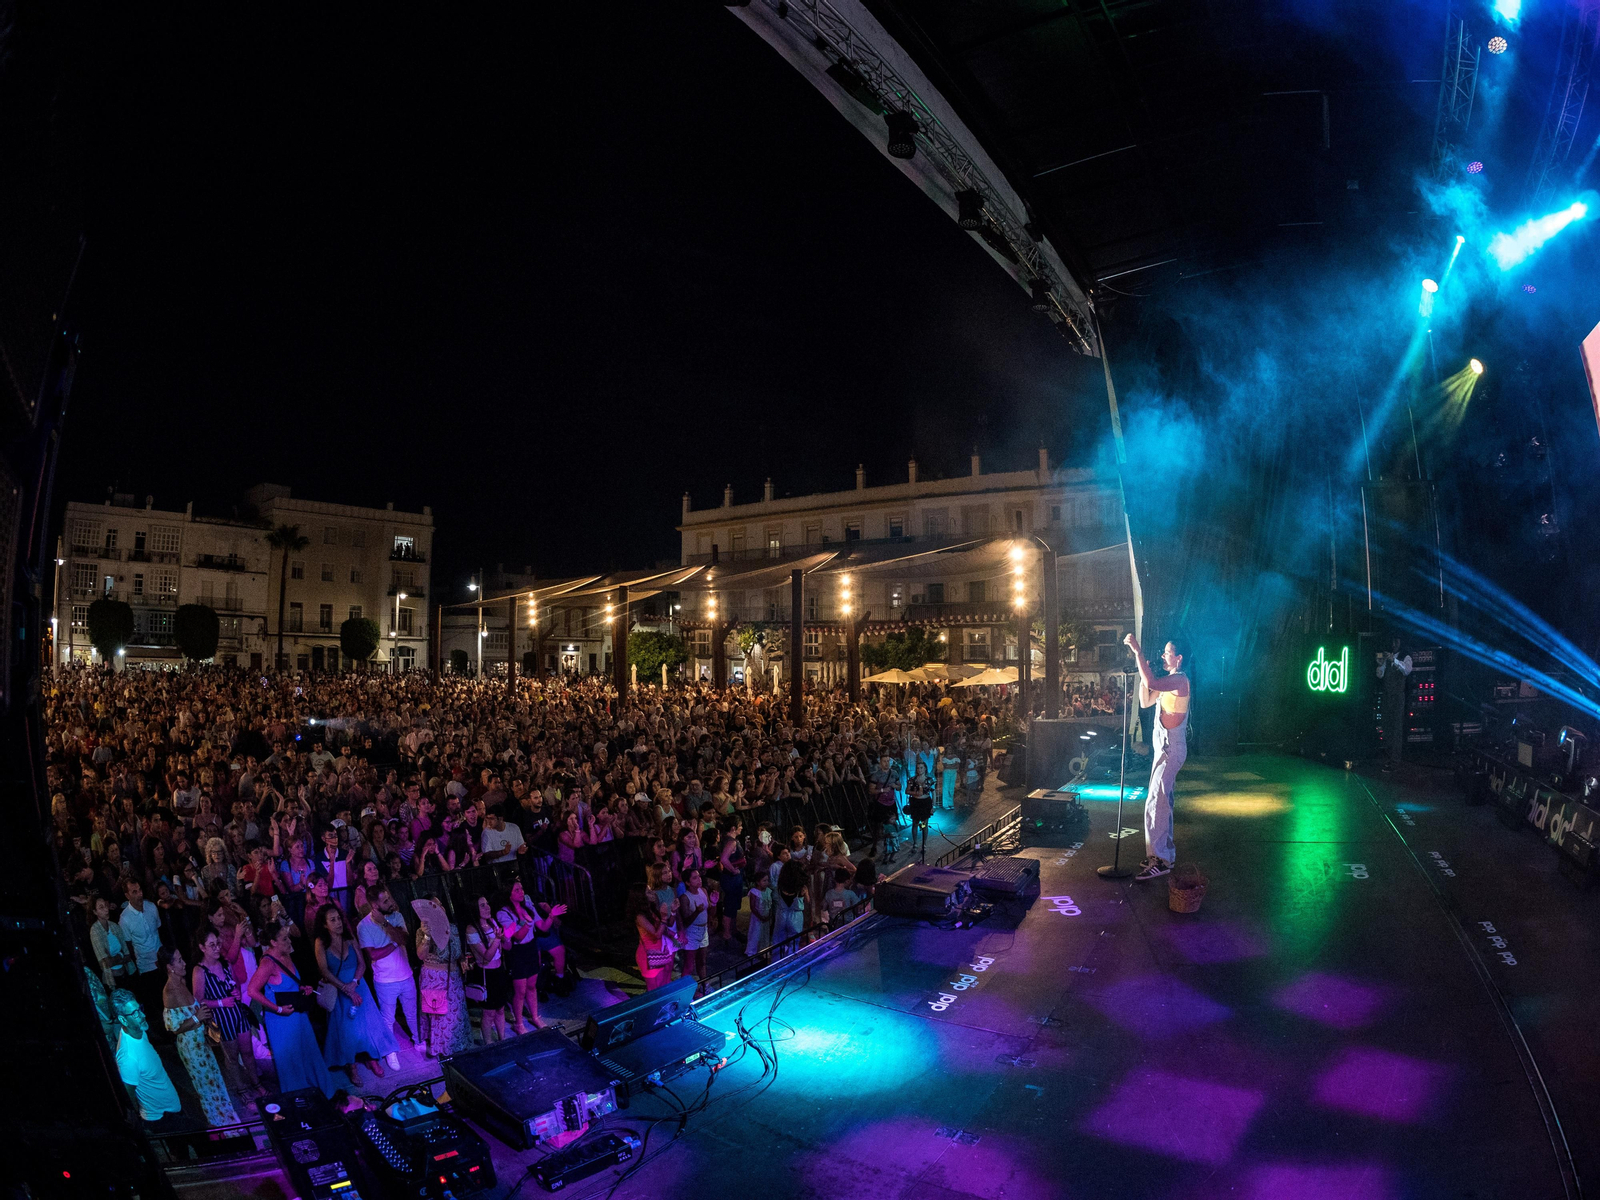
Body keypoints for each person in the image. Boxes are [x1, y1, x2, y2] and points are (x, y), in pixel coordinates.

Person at [246, 920, 344, 1102]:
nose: (289, 941)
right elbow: (252, 990)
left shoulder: (286, 955)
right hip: (281, 1021)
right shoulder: (267, 963)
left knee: (309, 1054)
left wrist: (301, 988)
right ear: (273, 942)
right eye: (284, 939)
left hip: (298, 1016)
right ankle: (301, 1101)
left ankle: (324, 1095)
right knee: (291, 1062)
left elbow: (288, 984)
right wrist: (277, 1009)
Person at [1125, 634, 1190, 881]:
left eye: (1167, 652)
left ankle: (1159, 859)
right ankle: (1165, 855)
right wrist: (1144, 671)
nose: (1163, 655)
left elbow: (1152, 681)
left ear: (1179, 658)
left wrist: (1138, 653)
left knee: (1156, 802)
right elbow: (1145, 701)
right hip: (1164, 748)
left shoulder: (1180, 680)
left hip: (1171, 748)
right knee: (1162, 802)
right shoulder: (1168, 683)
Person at [159, 945, 239, 1127]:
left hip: (201, 1043)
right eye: (179, 961)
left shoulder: (182, 982)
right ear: (170, 967)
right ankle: (220, 1126)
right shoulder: (169, 992)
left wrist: (203, 1017)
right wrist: (197, 1017)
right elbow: (173, 1028)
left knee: (215, 1080)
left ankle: (228, 1120)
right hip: (191, 1048)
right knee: (206, 1087)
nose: (184, 963)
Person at [313, 904, 394, 1082]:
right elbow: (324, 971)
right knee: (346, 1030)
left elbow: (362, 964)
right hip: (338, 988)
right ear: (325, 924)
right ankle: (351, 1065)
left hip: (357, 985)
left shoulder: (349, 938)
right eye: (332, 920)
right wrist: (345, 988)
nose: (338, 923)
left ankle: (371, 1058)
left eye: (339, 918)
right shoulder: (321, 942)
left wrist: (354, 983)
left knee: (367, 1025)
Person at [193, 927, 261, 1098]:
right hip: (222, 1020)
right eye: (212, 945)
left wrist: (236, 993)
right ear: (202, 947)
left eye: (218, 944)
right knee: (232, 1058)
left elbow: (235, 984)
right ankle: (242, 1090)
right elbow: (198, 1001)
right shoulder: (199, 971)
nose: (217, 948)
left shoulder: (225, 963)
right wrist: (221, 1002)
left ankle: (256, 1084)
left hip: (238, 1014)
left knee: (248, 1052)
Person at [357, 884, 419, 1066]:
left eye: (389, 898)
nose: (391, 902)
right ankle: (390, 1050)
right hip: (385, 980)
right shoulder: (364, 926)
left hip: (406, 974)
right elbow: (373, 954)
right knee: (388, 1018)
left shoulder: (396, 916)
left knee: (412, 1012)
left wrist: (385, 924)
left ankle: (419, 1040)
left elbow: (404, 939)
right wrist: (394, 943)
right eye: (385, 901)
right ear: (375, 906)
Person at [110, 987, 181, 1122]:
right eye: (135, 1013)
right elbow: (128, 1096)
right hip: (161, 1118)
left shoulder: (139, 1031)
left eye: (140, 1009)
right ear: (123, 1020)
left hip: (172, 1108)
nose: (143, 1015)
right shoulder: (128, 1058)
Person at [413, 897, 471, 1057]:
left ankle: (458, 1049)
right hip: (434, 979)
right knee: (440, 1017)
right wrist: (427, 936)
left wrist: (462, 960)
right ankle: (442, 1051)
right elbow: (420, 955)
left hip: (454, 978)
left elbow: (457, 951)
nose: (440, 908)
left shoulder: (453, 928)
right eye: (435, 906)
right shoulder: (422, 931)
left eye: (441, 904)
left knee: (456, 1015)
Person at [494, 882, 553, 1034]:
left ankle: (535, 1016)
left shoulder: (528, 907)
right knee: (520, 991)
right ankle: (519, 1023)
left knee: (532, 986)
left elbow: (543, 927)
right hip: (517, 952)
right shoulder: (503, 913)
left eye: (521, 889)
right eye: (517, 890)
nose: (521, 892)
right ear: (509, 894)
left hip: (531, 948)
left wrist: (551, 915)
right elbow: (518, 937)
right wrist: (527, 923)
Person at [118, 879, 167, 1040]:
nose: (139, 894)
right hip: (146, 966)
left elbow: (159, 930)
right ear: (127, 895)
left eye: (139, 890)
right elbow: (129, 945)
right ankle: (165, 1034)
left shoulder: (151, 907)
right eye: (134, 892)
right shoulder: (125, 919)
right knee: (156, 1001)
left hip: (161, 960)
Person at [464, 895, 511, 1043]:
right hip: (487, 974)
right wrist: (497, 939)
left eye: (487, 904)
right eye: (482, 905)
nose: (487, 907)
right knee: (489, 1012)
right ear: (475, 909)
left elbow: (506, 946)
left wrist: (505, 937)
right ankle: (489, 1043)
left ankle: (503, 1040)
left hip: (499, 971)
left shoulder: (492, 922)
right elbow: (487, 956)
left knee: (500, 1008)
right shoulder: (471, 929)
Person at [628, 882, 674, 991]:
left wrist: (673, 912)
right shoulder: (640, 916)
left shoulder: (651, 910)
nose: (653, 893)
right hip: (648, 956)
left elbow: (664, 928)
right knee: (654, 989)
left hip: (659, 952)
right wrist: (663, 918)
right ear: (641, 897)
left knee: (663, 984)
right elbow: (657, 934)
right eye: (648, 892)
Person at [1376, 637, 1412, 772]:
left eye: (1397, 641)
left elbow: (1407, 670)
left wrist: (1394, 661)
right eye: (1393, 641)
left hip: (1397, 697)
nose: (1394, 644)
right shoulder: (1387, 658)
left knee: (1396, 729)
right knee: (1387, 727)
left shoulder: (1405, 657)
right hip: (1387, 696)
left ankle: (1395, 761)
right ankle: (1388, 757)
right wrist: (1380, 664)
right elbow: (1380, 675)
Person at [90, 895, 134, 989]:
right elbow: (107, 963)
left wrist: (116, 957)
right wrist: (120, 955)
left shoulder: (114, 926)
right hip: (113, 979)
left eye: (105, 905)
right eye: (101, 907)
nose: (106, 909)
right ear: (95, 912)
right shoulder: (95, 931)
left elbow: (127, 955)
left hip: (125, 973)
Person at [677, 866, 710, 987]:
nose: (699, 879)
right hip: (692, 932)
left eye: (699, 876)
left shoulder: (703, 891)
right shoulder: (685, 897)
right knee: (689, 965)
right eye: (695, 878)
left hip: (704, 930)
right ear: (687, 882)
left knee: (702, 961)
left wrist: (714, 902)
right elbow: (686, 922)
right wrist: (696, 912)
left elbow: (709, 912)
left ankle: (705, 986)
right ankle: (685, 990)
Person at [716, 818, 746, 947]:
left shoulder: (725, 839)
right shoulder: (731, 842)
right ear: (733, 828)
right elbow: (724, 859)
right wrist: (733, 870)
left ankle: (733, 930)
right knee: (730, 905)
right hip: (731, 879)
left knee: (732, 904)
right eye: (740, 825)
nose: (741, 828)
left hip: (731, 878)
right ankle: (727, 934)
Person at [905, 760, 934, 861]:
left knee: (924, 823)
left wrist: (933, 806)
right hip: (916, 803)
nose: (919, 770)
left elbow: (933, 792)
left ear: (925, 768)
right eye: (918, 768)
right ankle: (915, 843)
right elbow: (907, 791)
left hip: (925, 803)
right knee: (915, 823)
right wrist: (915, 793)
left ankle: (924, 844)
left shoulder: (929, 780)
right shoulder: (912, 779)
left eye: (921, 768)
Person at [744, 868, 773, 956]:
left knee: (765, 934)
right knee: (755, 933)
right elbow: (753, 907)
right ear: (758, 882)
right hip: (757, 918)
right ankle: (752, 951)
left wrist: (769, 915)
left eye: (767, 880)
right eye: (764, 881)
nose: (766, 882)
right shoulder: (754, 892)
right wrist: (760, 917)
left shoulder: (768, 891)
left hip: (766, 917)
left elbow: (770, 904)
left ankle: (763, 950)